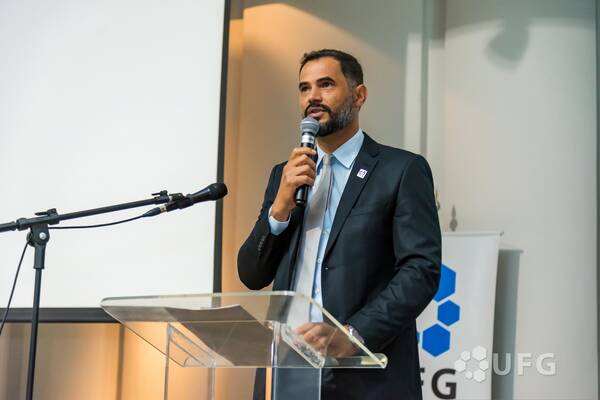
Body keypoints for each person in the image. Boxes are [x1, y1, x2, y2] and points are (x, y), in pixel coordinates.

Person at [237, 49, 441, 400]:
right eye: (304, 88)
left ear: (359, 95)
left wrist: (353, 335)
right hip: (286, 369)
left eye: (326, 84)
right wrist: (280, 206)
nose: (312, 97)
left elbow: (420, 270)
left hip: (364, 375)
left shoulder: (400, 170)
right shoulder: (285, 175)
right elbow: (252, 275)